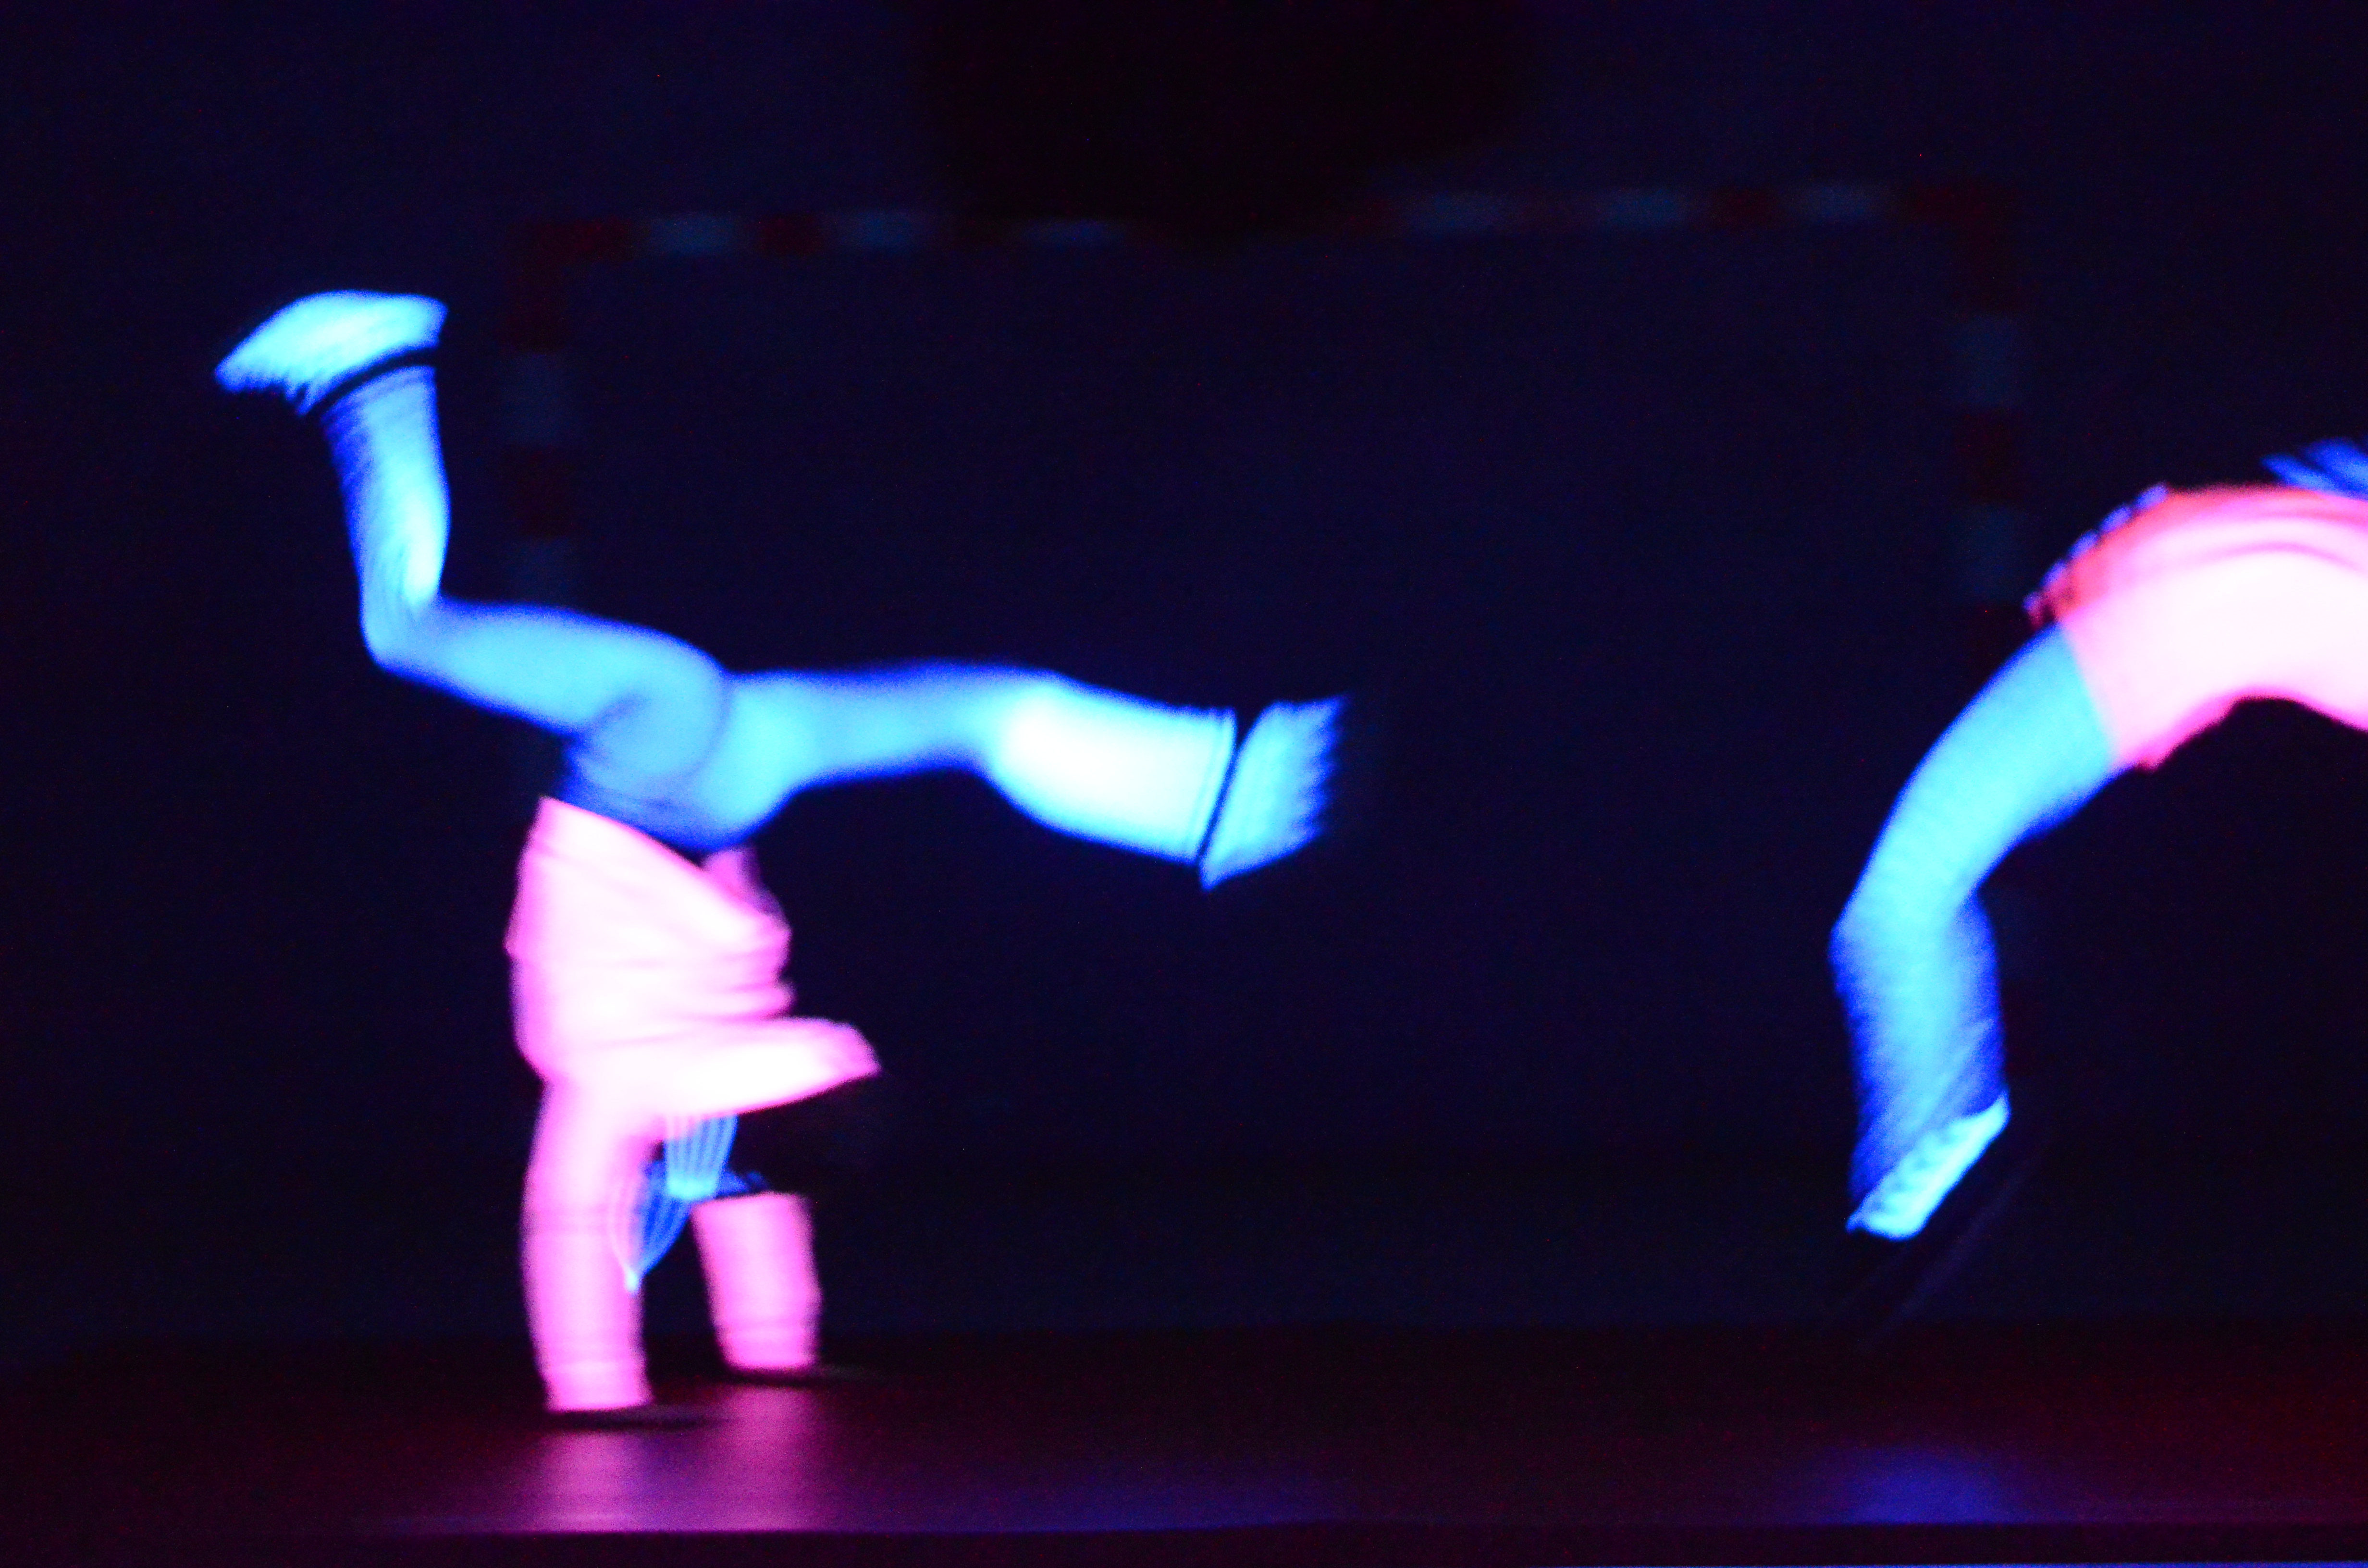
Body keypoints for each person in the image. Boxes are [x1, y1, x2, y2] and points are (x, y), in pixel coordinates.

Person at [217, 292, 1347, 1415]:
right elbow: (589, 1222)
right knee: (406, 631)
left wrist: (733, 1356)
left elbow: (692, 1206)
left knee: (979, 714)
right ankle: (374, 366)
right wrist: (612, 1384)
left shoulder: (749, 1076)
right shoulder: (647, 1093)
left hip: (723, 770)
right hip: (661, 761)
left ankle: (1214, 796)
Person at [1833, 448, 2368, 1252]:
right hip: (2141, 620)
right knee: (1897, 906)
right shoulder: (2270, 539)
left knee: (1896, 906)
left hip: (2147, 625)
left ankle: (1929, 1171)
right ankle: (1930, 1167)